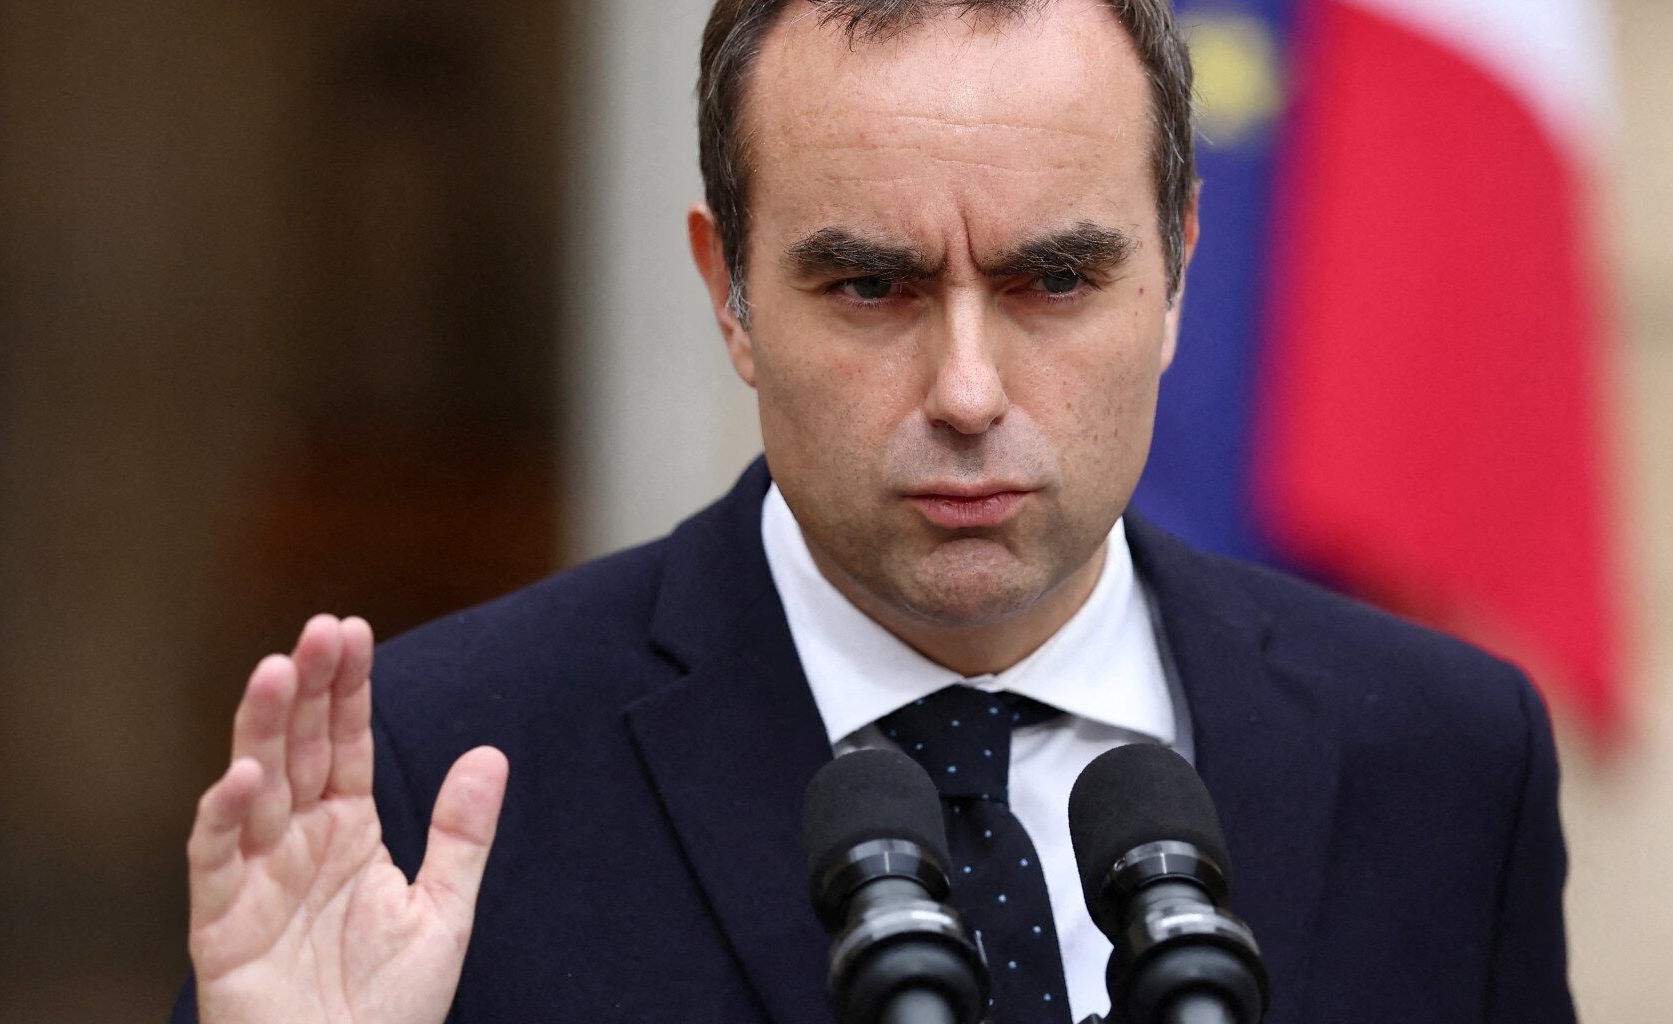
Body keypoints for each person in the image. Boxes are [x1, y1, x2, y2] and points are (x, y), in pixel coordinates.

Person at [174, 1, 1575, 1022]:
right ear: (729, 295)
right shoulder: (432, 777)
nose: (967, 392)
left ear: (1179, 271)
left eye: (1054, 281)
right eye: (870, 287)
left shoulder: (1449, 760)